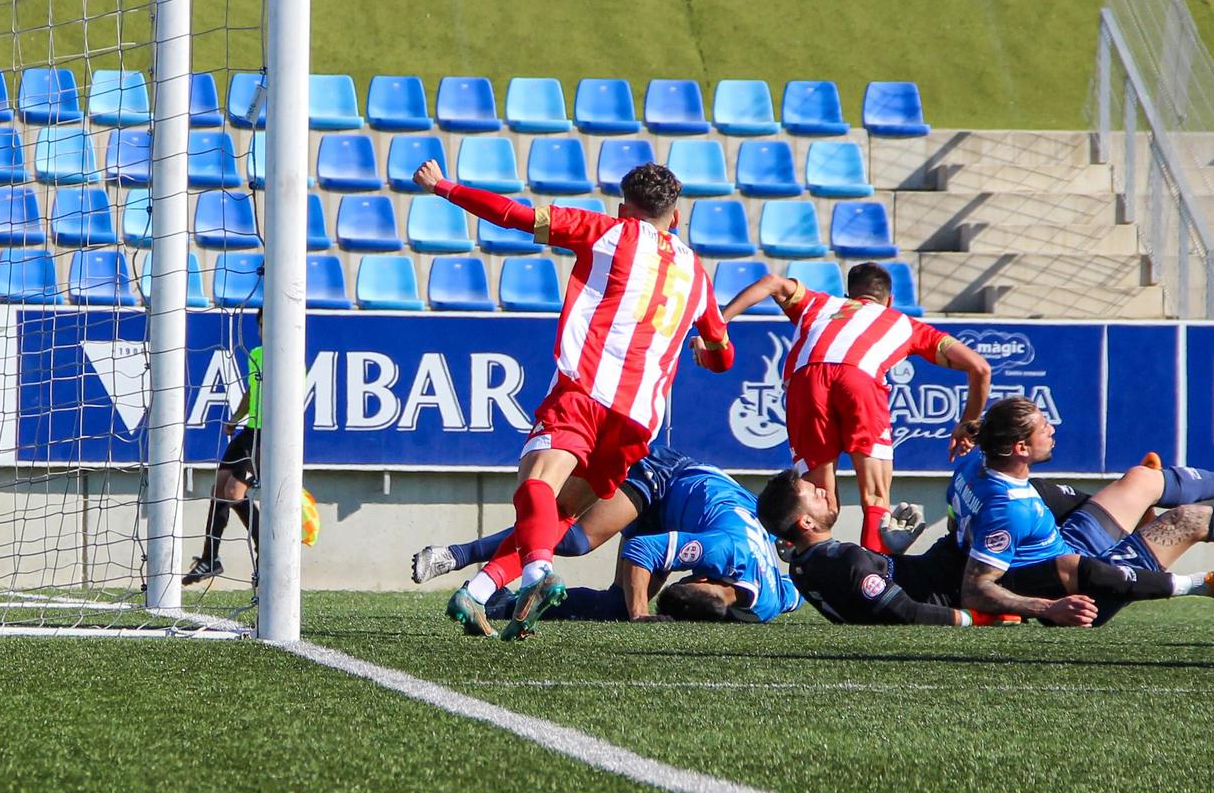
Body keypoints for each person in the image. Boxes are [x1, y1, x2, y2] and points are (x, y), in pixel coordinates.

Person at [413, 157, 736, 641]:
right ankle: (477, 590)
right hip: (640, 421)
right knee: (561, 513)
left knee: (536, 484)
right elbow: (722, 357)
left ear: (625, 206)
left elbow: (513, 215)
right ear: (676, 214)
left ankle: (536, 575)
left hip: (587, 390)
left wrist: (444, 187)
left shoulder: (605, 231)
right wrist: (706, 351)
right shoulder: (697, 274)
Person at [755, 434, 1214, 626]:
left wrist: (893, 548)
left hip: (1018, 556)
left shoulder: (812, 564)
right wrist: (983, 617)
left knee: (1142, 481)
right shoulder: (835, 562)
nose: (825, 491)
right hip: (1033, 575)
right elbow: (900, 611)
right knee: (1183, 520)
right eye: (813, 494)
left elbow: (874, 591)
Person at [951, 399, 1214, 627]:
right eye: (1042, 427)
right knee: (1186, 519)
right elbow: (976, 587)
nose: (1051, 429)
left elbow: (958, 524)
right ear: (1019, 447)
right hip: (1084, 585)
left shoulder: (972, 467)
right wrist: (1048, 607)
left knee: (1141, 480)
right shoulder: (1008, 509)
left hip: (1064, 544)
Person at [720, 261, 991, 553]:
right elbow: (980, 368)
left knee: (822, 503)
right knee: (875, 497)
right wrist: (967, 425)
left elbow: (772, 281)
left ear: (849, 295)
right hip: (859, 379)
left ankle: (810, 563)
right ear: (889, 300)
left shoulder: (820, 303)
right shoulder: (903, 322)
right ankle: (875, 582)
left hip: (806, 379)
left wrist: (718, 324)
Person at [479, 451, 800, 627]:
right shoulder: (723, 552)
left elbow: (795, 590)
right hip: (669, 476)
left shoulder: (768, 602)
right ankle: (462, 555)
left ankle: (503, 602)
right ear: (700, 574)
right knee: (576, 538)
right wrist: (640, 613)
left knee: (616, 605)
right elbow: (641, 549)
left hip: (685, 506)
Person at [183, 308, 261, 586]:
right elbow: (253, 391)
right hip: (250, 430)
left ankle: (266, 551)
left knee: (233, 491)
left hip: (269, 435)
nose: (265, 329)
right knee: (219, 489)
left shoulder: (290, 358)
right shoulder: (258, 354)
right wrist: (236, 419)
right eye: (262, 324)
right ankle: (209, 558)